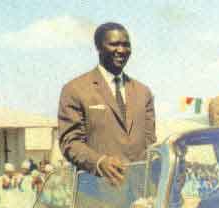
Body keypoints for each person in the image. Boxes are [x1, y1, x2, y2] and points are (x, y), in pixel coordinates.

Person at [58, 22, 156, 185]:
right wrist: (99, 162)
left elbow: (150, 141)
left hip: (139, 193)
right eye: (114, 44)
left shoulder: (143, 92)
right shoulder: (75, 89)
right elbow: (70, 142)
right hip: (96, 195)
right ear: (98, 47)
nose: (121, 50)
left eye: (126, 45)